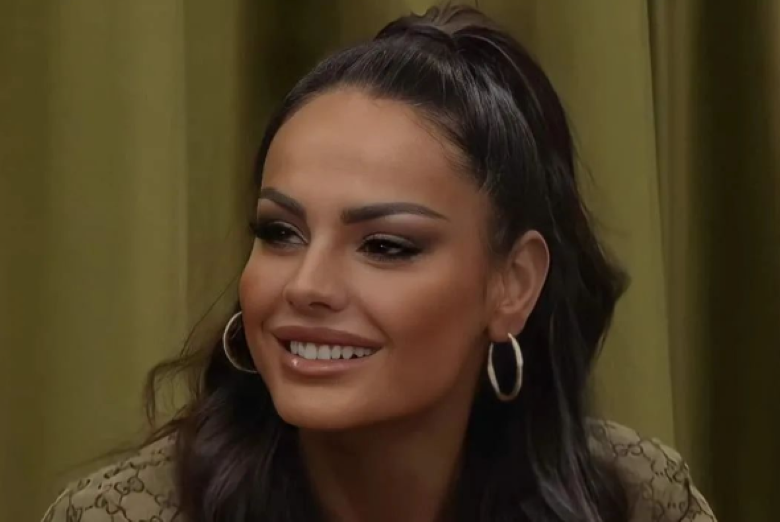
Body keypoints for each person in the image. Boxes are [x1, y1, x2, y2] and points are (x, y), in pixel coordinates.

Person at [42, 5, 716, 522]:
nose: (306, 286)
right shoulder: (122, 514)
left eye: (386, 246)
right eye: (281, 233)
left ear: (513, 284)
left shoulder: (640, 501)